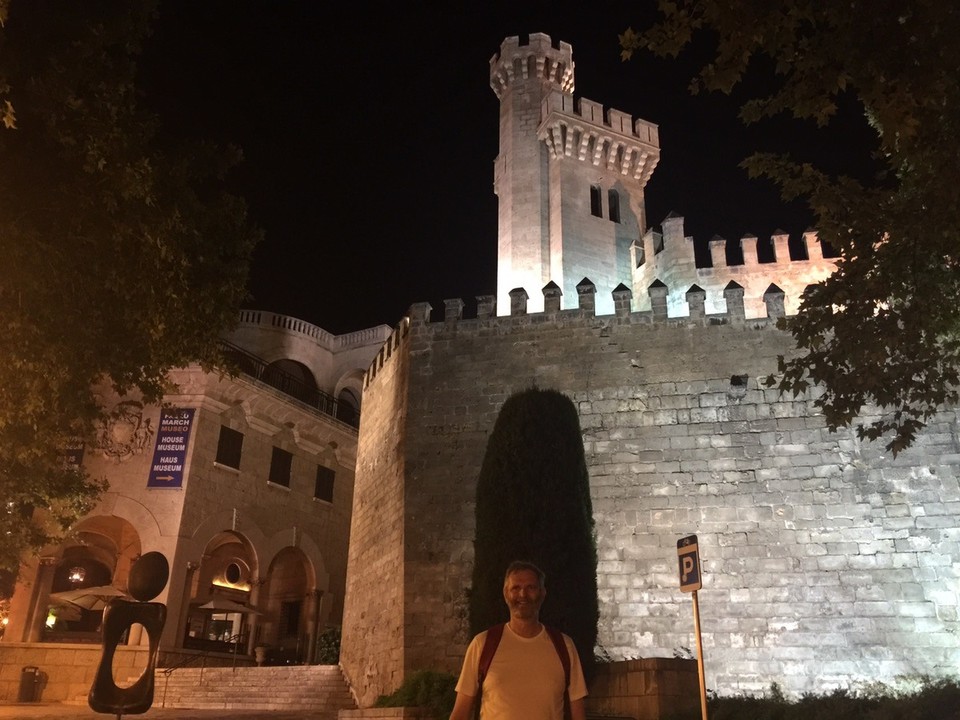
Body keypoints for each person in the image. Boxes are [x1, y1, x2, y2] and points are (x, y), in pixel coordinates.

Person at [450, 561, 587, 720]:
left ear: (542, 593)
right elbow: (460, 712)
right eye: (516, 588)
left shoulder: (564, 646)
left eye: (531, 587)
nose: (523, 595)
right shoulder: (482, 644)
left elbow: (578, 714)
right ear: (506, 593)